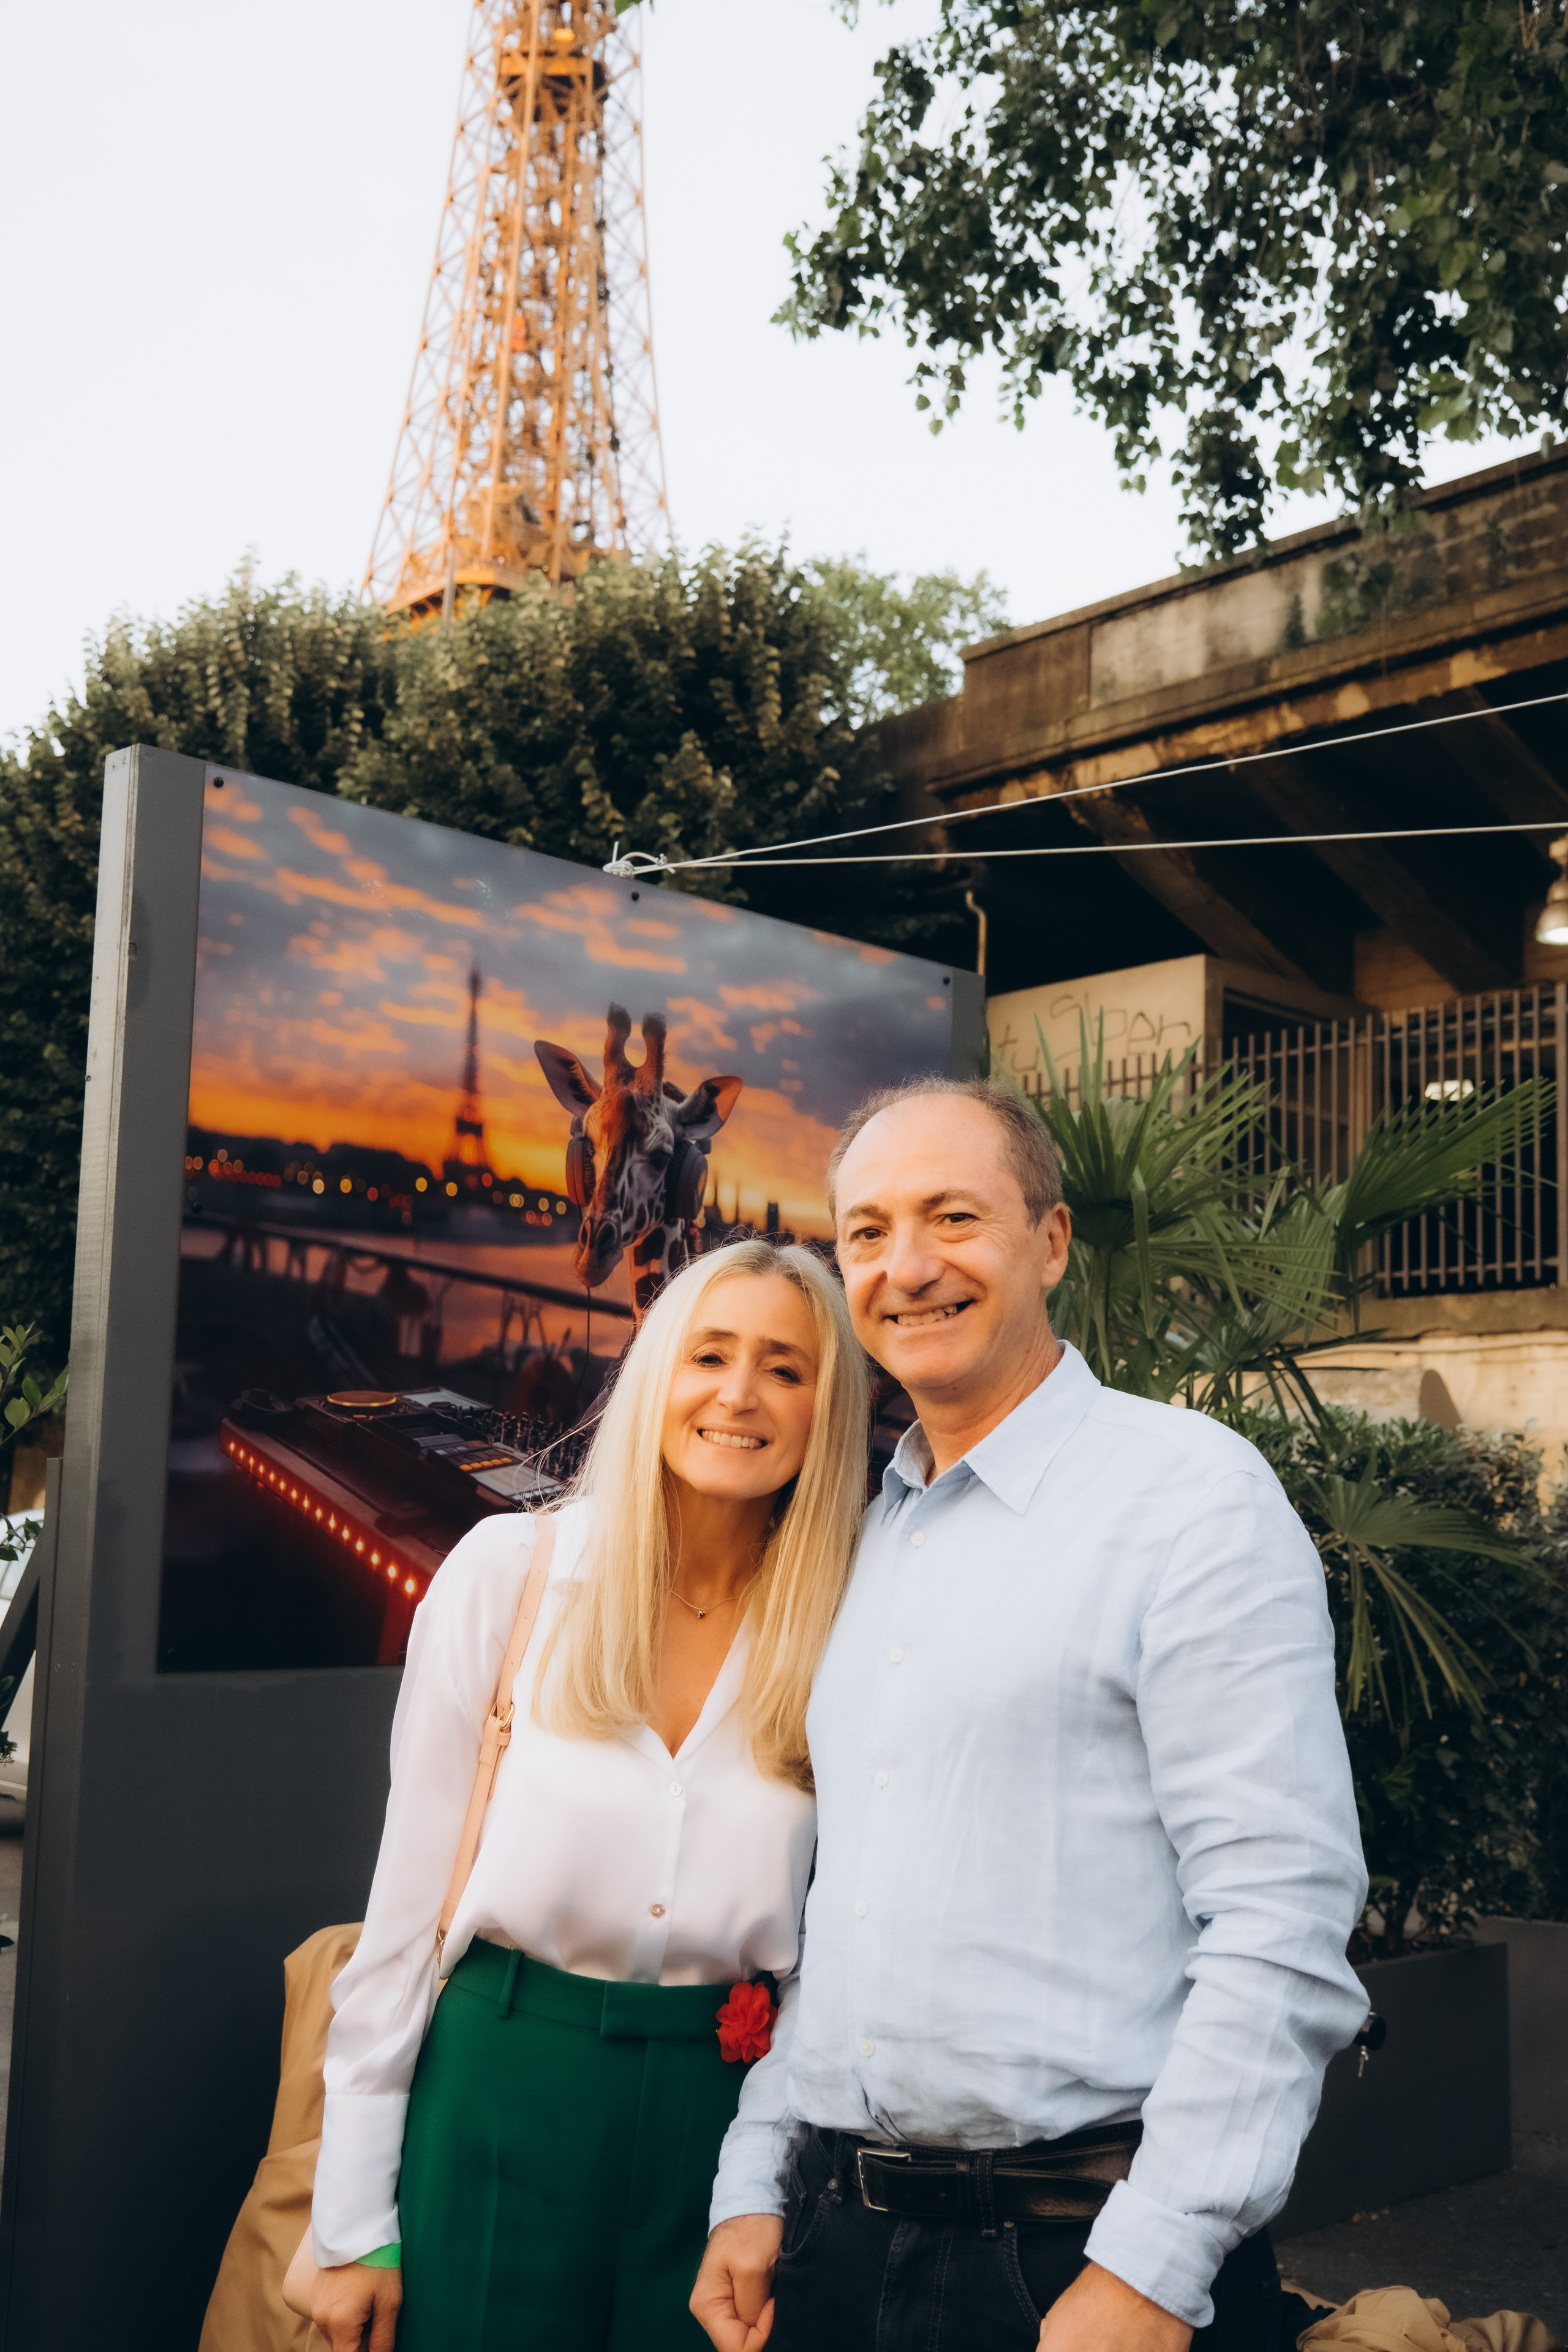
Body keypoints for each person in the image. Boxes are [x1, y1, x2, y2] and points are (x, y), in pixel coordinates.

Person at [692, 1079, 1368, 2352]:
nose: (907, 1267)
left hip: (1081, 2257)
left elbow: (1280, 1914)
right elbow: (840, 1920)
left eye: (952, 1216)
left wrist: (1154, 2268)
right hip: (836, 2244)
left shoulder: (1187, 1498)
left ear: (1050, 1242)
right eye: (867, 1232)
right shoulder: (863, 1539)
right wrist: (755, 2184)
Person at [308, 1237, 870, 2352]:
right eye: (709, 1355)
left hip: (725, 2129)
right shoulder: (509, 1572)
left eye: (786, 1369)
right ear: (657, 1374)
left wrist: (768, 2179)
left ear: (827, 1413)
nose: (740, 1395)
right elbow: (405, 1910)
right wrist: (351, 2223)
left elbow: (839, 1944)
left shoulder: (847, 1624)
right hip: (500, 2087)